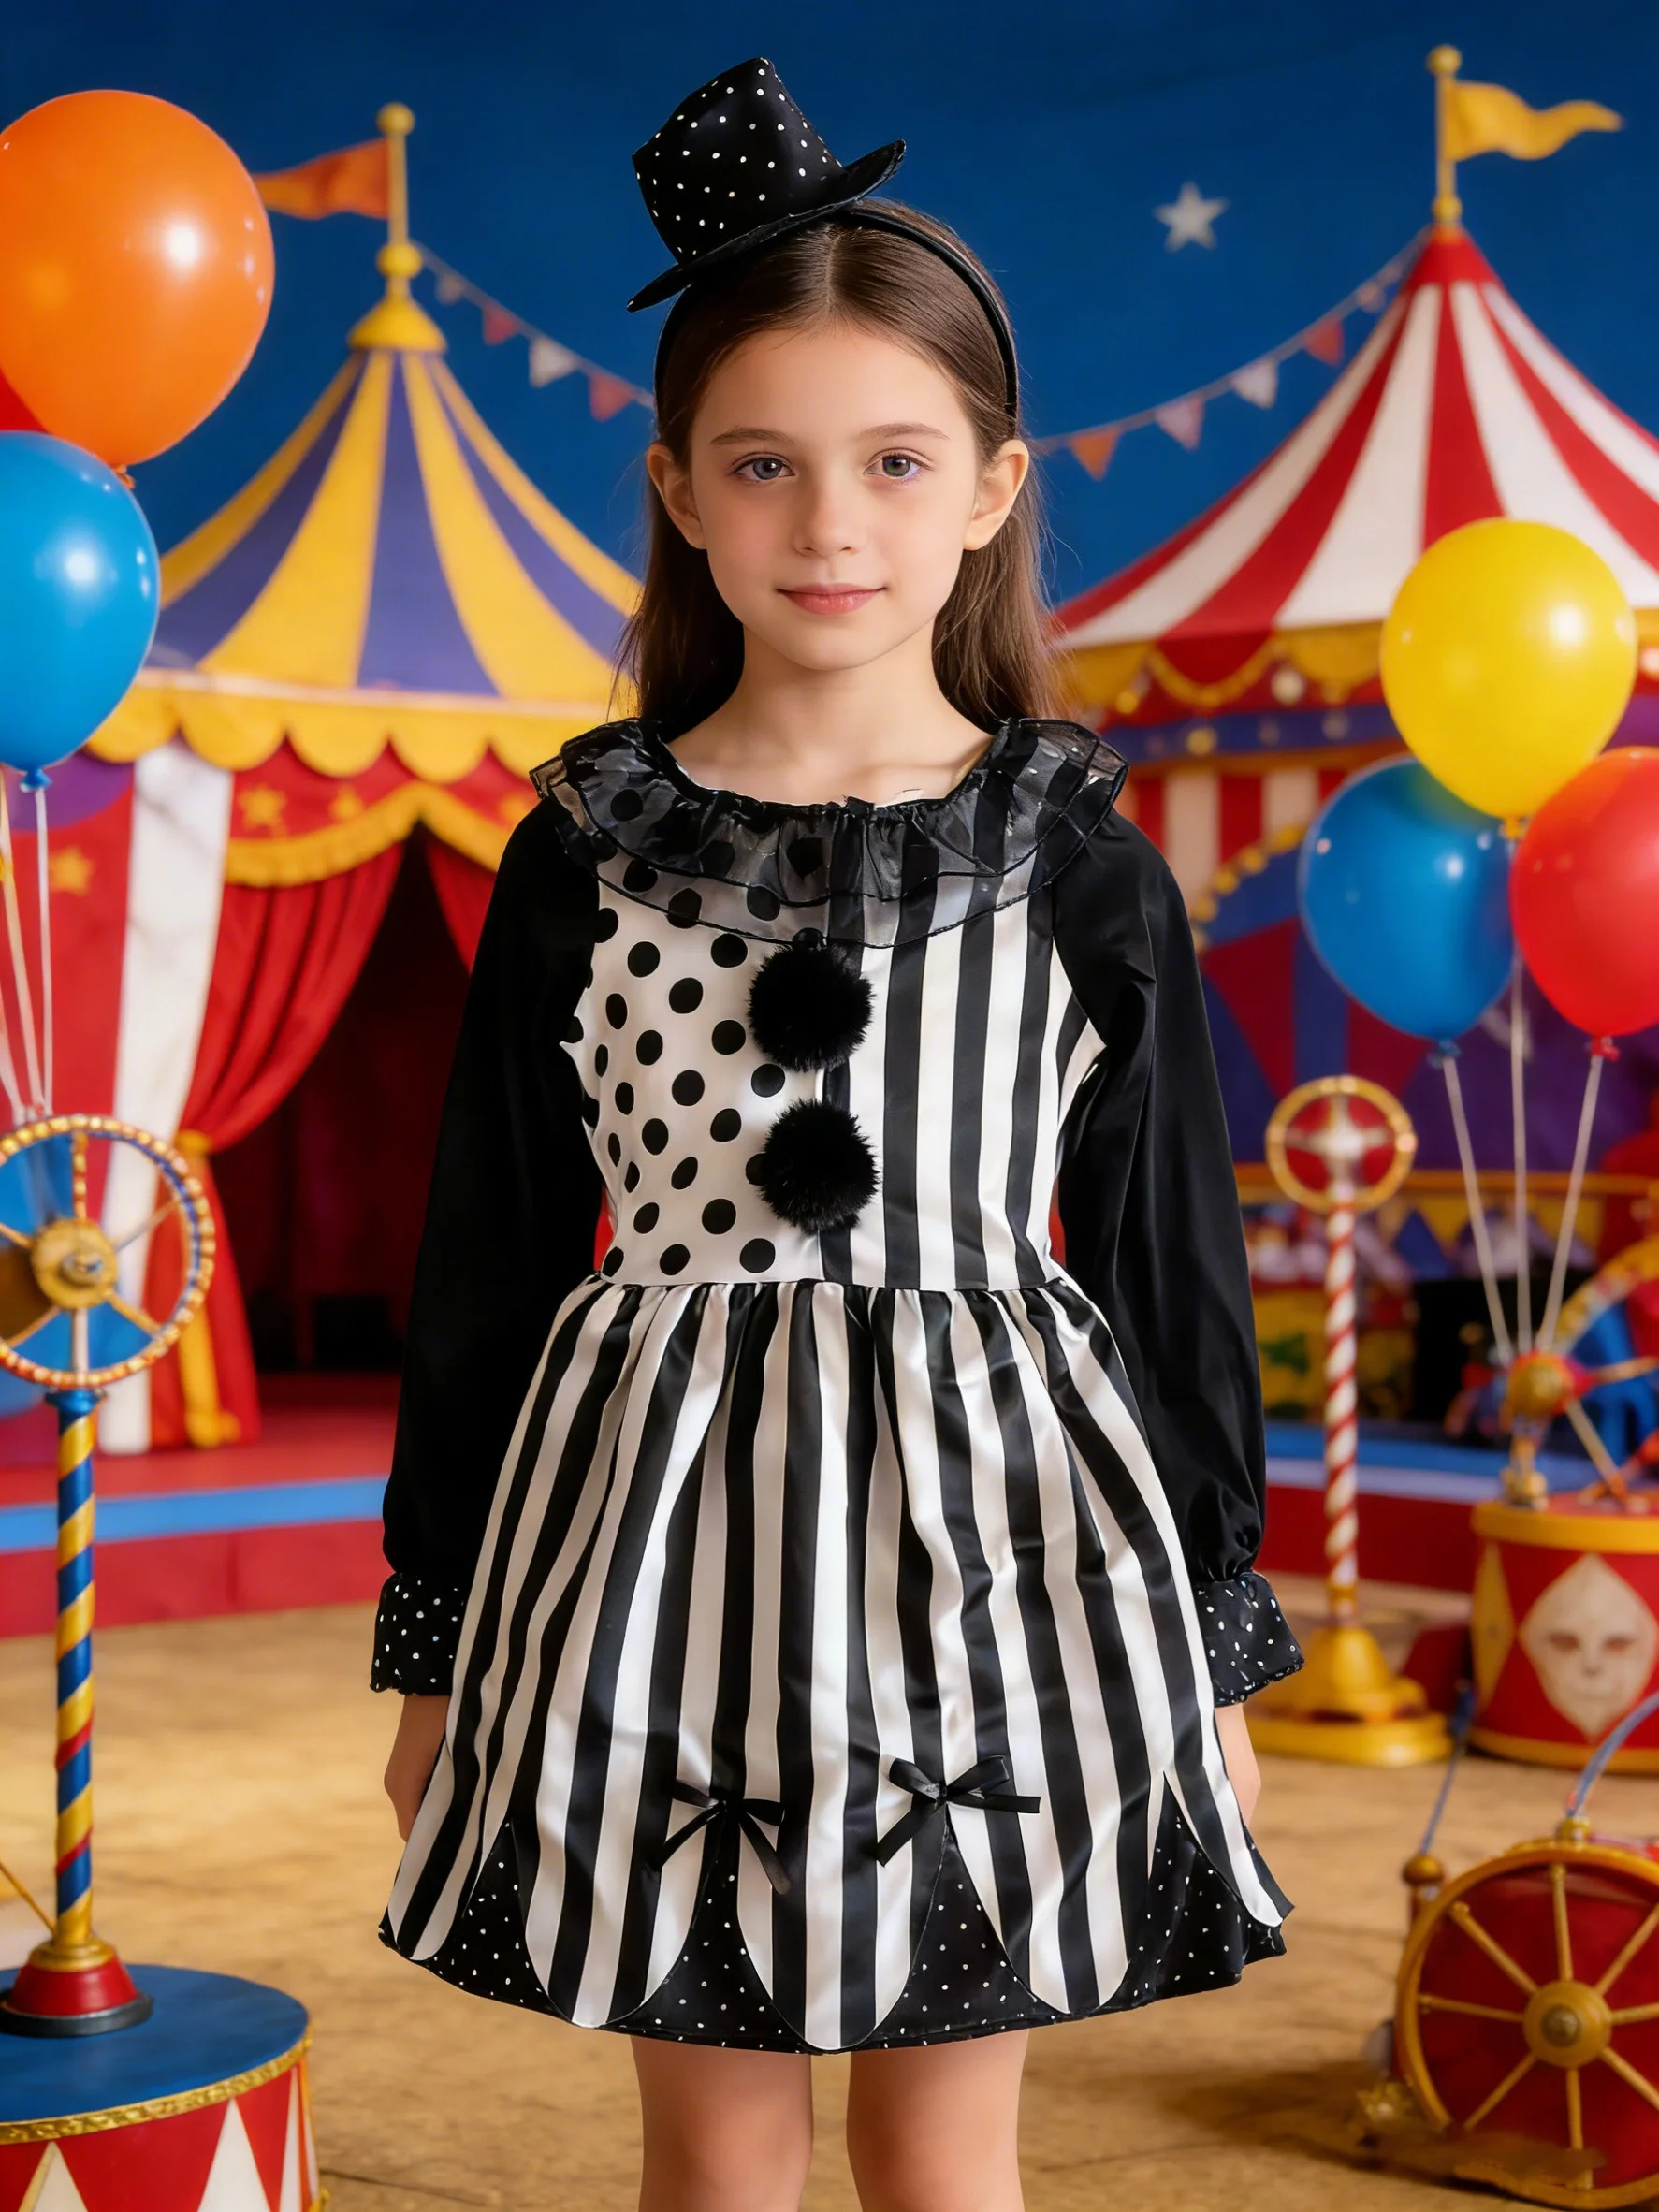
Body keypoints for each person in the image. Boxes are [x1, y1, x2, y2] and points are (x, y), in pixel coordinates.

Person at [374, 56, 1302, 2212]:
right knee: (708, 2156)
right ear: (680, 489)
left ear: (989, 485)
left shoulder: (1077, 854)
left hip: (995, 1563)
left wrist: (1211, 1639)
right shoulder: (581, 852)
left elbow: (1172, 1271)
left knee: (948, 2149)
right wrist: (436, 1637)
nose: (832, 524)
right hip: (650, 1557)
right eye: (767, 465)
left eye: (893, 461)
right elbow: (488, 1262)